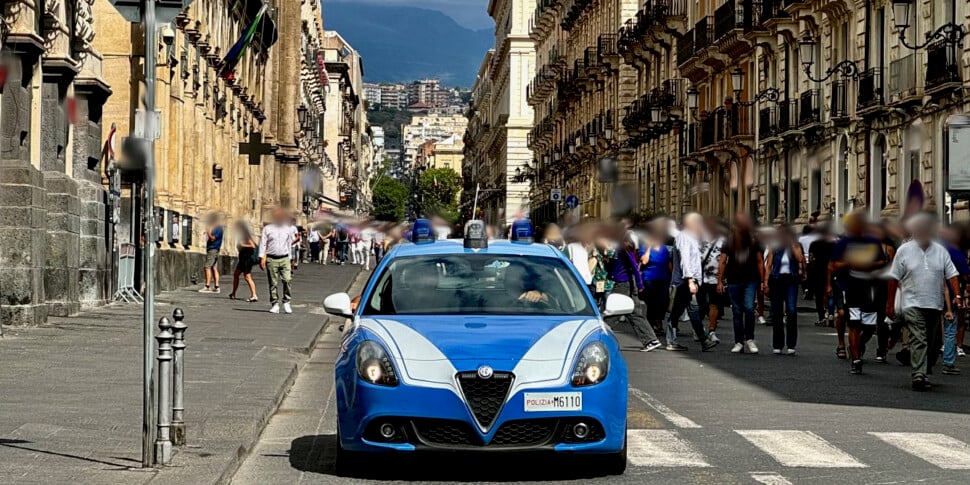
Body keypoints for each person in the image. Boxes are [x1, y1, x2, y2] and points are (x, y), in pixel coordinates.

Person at [887, 213, 961, 390]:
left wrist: (957, 296)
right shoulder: (904, 250)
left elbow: (952, 275)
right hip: (912, 303)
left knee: (934, 343)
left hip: (934, 304)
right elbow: (893, 278)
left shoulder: (940, 251)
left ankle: (924, 368)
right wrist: (889, 304)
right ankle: (918, 376)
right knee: (919, 338)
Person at [829, 211, 889, 374]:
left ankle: (856, 345)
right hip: (850, 288)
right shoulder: (843, 243)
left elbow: (883, 261)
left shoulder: (872, 242)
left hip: (869, 289)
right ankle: (856, 360)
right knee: (854, 324)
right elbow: (833, 266)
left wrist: (868, 264)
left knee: (869, 326)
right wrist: (849, 263)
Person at [603, 225, 662, 352]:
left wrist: (640, 284)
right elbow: (614, 268)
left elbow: (634, 267)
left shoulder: (623, 248)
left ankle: (600, 336)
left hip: (624, 284)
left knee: (613, 311)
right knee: (635, 313)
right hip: (626, 283)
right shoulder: (618, 249)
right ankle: (651, 340)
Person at [667, 213, 719, 352]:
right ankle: (673, 341)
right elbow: (685, 260)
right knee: (677, 312)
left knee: (692, 310)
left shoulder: (691, 238)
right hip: (683, 282)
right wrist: (690, 280)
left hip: (689, 281)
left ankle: (703, 340)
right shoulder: (684, 238)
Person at [718, 213, 764, 354]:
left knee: (749, 308)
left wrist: (763, 281)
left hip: (750, 279)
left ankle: (749, 339)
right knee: (737, 311)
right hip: (733, 280)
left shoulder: (753, 241)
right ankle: (739, 341)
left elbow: (759, 261)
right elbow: (722, 261)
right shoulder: (729, 242)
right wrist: (719, 281)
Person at [765, 225, 807, 354]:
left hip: (791, 280)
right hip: (776, 279)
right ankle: (777, 344)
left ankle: (791, 344)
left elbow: (800, 259)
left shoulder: (795, 244)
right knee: (777, 311)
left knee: (791, 310)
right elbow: (769, 264)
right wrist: (765, 282)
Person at [259, 209, 299, 314]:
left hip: (285, 257)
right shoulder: (267, 229)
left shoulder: (287, 229)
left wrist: (291, 259)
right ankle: (275, 303)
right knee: (273, 282)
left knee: (287, 279)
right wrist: (262, 257)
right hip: (271, 258)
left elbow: (289, 244)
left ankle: (286, 301)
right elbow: (263, 243)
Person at [639, 223, 673, 335]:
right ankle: (652, 324)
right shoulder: (644, 247)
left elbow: (668, 263)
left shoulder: (664, 248)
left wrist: (673, 275)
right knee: (652, 302)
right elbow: (644, 261)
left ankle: (658, 321)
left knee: (663, 302)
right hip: (649, 278)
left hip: (664, 278)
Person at [697, 218, 725, 343]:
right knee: (701, 306)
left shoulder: (723, 242)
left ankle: (712, 331)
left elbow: (725, 261)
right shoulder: (700, 241)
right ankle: (698, 329)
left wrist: (722, 279)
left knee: (714, 304)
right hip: (700, 278)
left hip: (715, 278)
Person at [809, 225, 837, 327]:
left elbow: (811, 258)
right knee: (830, 293)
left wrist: (812, 267)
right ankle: (830, 313)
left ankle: (821, 317)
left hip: (818, 271)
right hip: (831, 271)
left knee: (819, 295)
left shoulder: (814, 244)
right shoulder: (833, 244)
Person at [229, 220, 259, 302]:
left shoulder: (246, 236)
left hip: (247, 259)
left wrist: (242, 245)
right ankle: (233, 293)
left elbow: (252, 245)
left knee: (247, 276)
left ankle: (254, 295)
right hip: (243, 259)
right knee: (236, 274)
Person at [199, 213, 224, 293]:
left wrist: (208, 232)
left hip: (213, 248)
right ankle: (216, 286)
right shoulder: (218, 227)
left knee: (207, 267)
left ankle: (207, 286)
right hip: (214, 248)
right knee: (214, 267)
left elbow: (213, 238)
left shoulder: (218, 228)